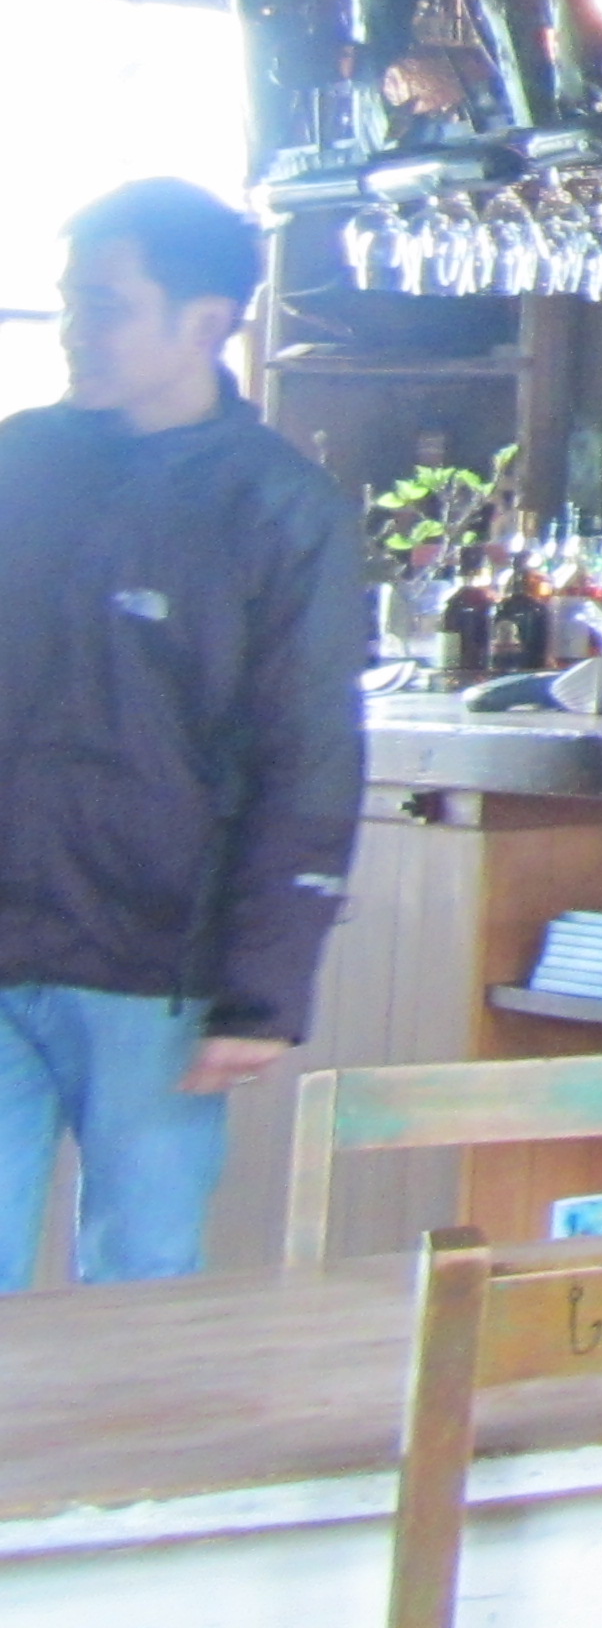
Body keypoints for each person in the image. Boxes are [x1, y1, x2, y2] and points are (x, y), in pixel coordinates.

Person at [0, 179, 366, 1288]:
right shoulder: (20, 463)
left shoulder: (282, 507)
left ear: (204, 322)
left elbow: (307, 761)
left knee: (142, 1283)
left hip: (157, 963)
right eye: (69, 302)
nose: (75, 330)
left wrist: (263, 994)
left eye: (106, 307)